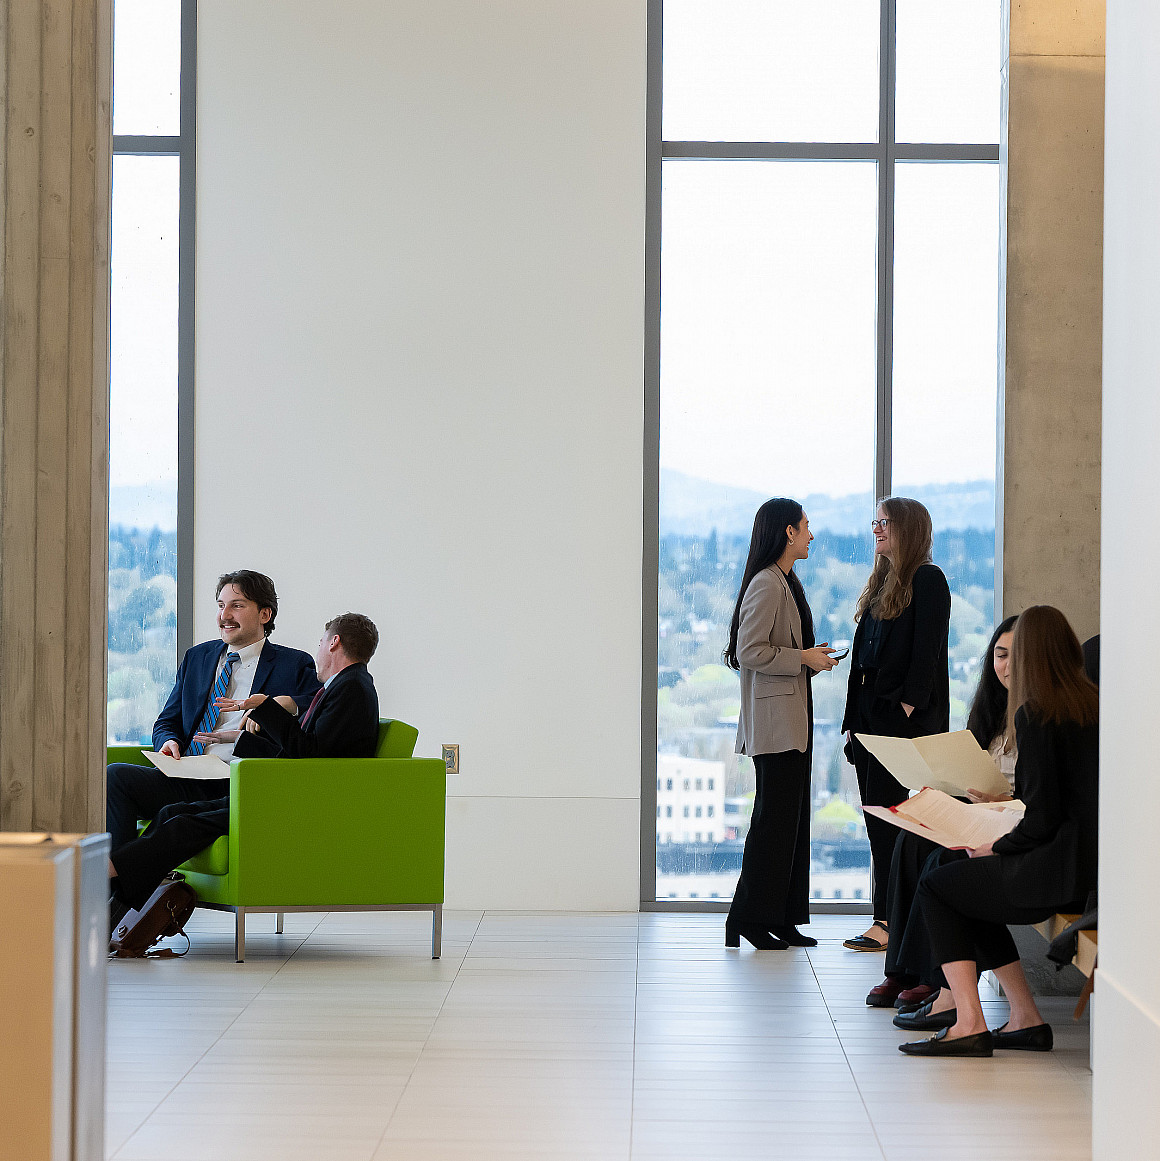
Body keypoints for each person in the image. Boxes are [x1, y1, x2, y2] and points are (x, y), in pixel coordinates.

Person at [899, 605, 1098, 1057]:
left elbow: (1043, 817)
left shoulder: (1037, 714)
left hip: (1054, 873)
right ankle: (1025, 1017)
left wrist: (997, 844)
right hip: (1089, 874)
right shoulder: (1094, 707)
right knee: (962, 886)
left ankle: (967, 1021)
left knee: (937, 886)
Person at [108, 613, 381, 919]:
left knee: (182, 823)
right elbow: (305, 752)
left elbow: (308, 755)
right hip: (281, 790)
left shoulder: (351, 688)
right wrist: (238, 738)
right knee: (173, 812)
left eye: (321, 641)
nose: (317, 648)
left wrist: (264, 705)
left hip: (290, 800)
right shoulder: (345, 686)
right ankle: (122, 908)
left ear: (334, 642)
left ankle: (110, 877)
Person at [105, 571, 322, 852]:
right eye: (221, 605)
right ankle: (112, 887)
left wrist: (282, 703)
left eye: (237, 605)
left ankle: (123, 886)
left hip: (236, 781)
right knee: (115, 777)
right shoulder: (197, 657)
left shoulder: (292, 664)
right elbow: (167, 721)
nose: (225, 615)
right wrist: (168, 742)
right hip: (186, 775)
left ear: (265, 614)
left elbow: (316, 708)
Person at [866, 616, 1018, 1009]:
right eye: (1001, 655)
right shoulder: (991, 711)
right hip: (979, 811)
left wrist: (995, 802)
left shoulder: (1039, 719)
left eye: (1018, 656)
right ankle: (901, 970)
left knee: (941, 857)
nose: (1008, 666)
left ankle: (936, 975)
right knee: (912, 834)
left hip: (1009, 822)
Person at [723, 498, 838, 950]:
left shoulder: (785, 582)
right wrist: (803, 659)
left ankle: (780, 917)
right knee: (774, 824)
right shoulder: (768, 585)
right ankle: (749, 919)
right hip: (775, 725)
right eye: (806, 526)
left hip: (791, 720)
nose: (812, 533)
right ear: (788, 532)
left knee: (788, 823)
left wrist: (810, 658)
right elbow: (748, 651)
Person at [841, 497, 951, 952]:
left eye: (884, 523)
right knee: (877, 822)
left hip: (901, 724)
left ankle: (890, 923)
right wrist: (852, 722)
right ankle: (885, 920)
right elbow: (862, 661)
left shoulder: (927, 579)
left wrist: (906, 707)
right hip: (870, 721)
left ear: (908, 529)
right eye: (876, 522)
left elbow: (927, 652)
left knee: (897, 825)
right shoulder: (882, 582)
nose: (877, 530)